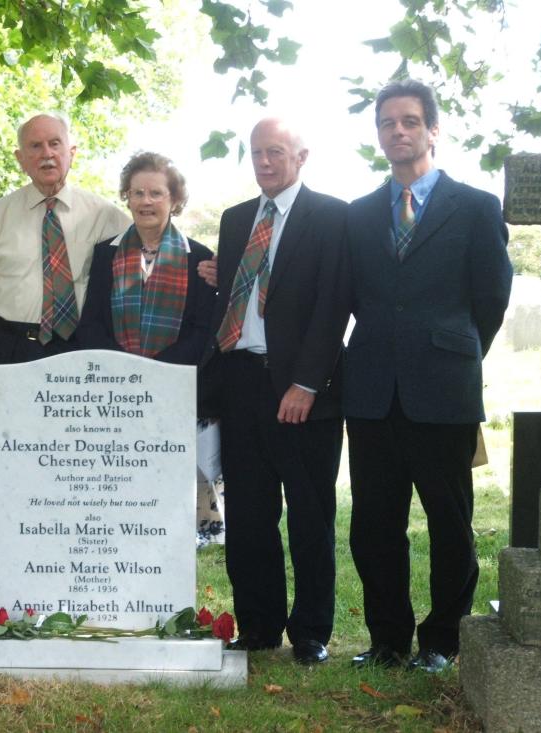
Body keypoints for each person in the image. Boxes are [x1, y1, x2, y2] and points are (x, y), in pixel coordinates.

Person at [345, 80, 512, 673]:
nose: (399, 131)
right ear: (379, 135)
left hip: (443, 391)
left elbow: (490, 300)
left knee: (449, 523)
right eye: (388, 122)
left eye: (410, 121)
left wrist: (453, 353)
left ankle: (443, 640)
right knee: (372, 527)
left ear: (432, 130)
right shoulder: (359, 215)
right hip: (369, 393)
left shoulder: (476, 207)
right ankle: (388, 640)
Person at [202, 117, 349, 665]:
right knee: (249, 515)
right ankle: (259, 626)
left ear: (301, 156)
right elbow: (234, 296)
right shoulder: (236, 219)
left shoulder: (333, 217)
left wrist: (306, 382)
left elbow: (334, 305)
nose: (265, 162)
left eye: (276, 152)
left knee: (310, 513)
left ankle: (311, 632)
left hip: (303, 390)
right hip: (241, 383)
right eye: (256, 153)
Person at [0, 113, 130, 423]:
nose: (47, 154)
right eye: (35, 146)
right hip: (12, 352)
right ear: (20, 158)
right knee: (13, 459)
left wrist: (206, 267)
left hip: (80, 352)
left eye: (55, 144)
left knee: (74, 459)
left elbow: (153, 252)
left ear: (72, 152)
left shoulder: (105, 215)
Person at [77, 151, 216, 365]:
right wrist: (122, 364)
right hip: (114, 377)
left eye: (156, 193)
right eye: (138, 193)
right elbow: (91, 323)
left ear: (175, 200)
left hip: (175, 379)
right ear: (128, 197)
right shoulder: (105, 253)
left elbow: (202, 331)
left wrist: (154, 369)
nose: (146, 201)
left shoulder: (200, 258)